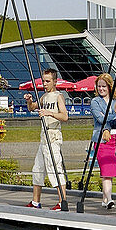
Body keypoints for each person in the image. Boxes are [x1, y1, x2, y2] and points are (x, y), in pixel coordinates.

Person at [24, 69, 69, 210]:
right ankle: (36, 201)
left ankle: (63, 201)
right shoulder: (44, 97)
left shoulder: (58, 96)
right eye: (43, 81)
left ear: (55, 82)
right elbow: (32, 108)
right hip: (43, 138)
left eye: (48, 81)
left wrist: (49, 113)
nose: (45, 84)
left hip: (53, 137)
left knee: (55, 168)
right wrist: (29, 101)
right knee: (37, 168)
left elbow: (65, 116)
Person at [90, 74, 116, 209]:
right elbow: (100, 119)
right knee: (106, 171)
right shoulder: (95, 101)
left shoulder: (115, 101)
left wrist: (109, 117)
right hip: (101, 140)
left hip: (115, 139)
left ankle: (104, 198)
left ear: (109, 87)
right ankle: (109, 199)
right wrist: (113, 117)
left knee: (110, 172)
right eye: (99, 86)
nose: (101, 89)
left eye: (104, 86)